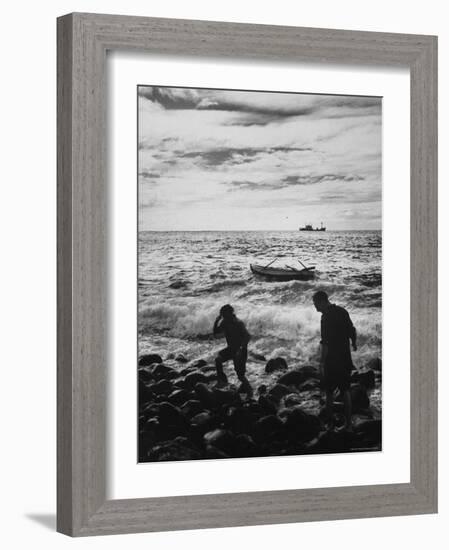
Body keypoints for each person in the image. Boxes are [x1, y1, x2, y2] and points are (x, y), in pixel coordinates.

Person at [312, 290, 357, 431]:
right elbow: (352, 330)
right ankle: (348, 424)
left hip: (332, 360)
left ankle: (331, 424)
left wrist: (321, 362)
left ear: (322, 301)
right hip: (344, 358)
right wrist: (354, 343)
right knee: (346, 390)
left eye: (315, 304)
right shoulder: (342, 311)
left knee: (330, 392)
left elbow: (325, 343)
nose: (315, 307)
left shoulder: (325, 318)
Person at [213, 304, 252, 396]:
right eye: (222, 315)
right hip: (231, 349)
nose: (223, 317)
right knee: (218, 359)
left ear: (230, 313)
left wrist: (241, 349)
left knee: (240, 375)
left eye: (224, 314)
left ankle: (250, 391)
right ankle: (222, 381)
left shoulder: (238, 323)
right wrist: (216, 321)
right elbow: (216, 334)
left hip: (241, 351)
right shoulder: (224, 322)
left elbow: (247, 336)